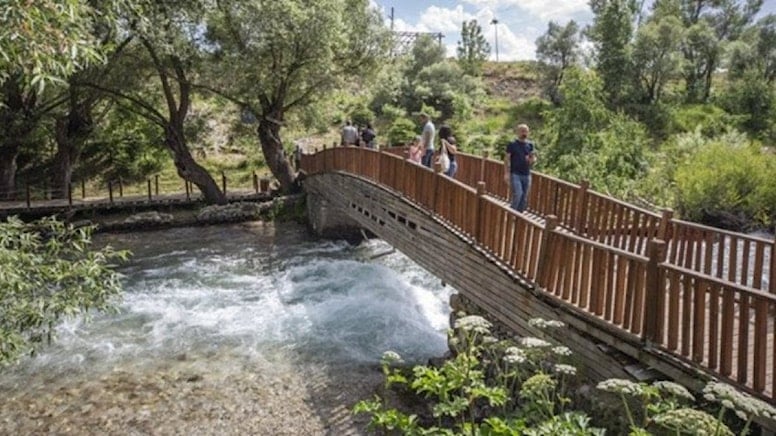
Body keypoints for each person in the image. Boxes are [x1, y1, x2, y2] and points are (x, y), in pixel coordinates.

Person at [504, 123, 537, 212]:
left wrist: (532, 160)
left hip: (526, 174)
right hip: (515, 173)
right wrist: (506, 173)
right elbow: (507, 159)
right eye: (522, 131)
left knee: (524, 196)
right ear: (517, 132)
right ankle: (512, 212)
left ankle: (519, 216)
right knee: (518, 193)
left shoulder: (530, 144)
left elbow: (533, 157)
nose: (524, 133)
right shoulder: (512, 144)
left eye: (526, 131)